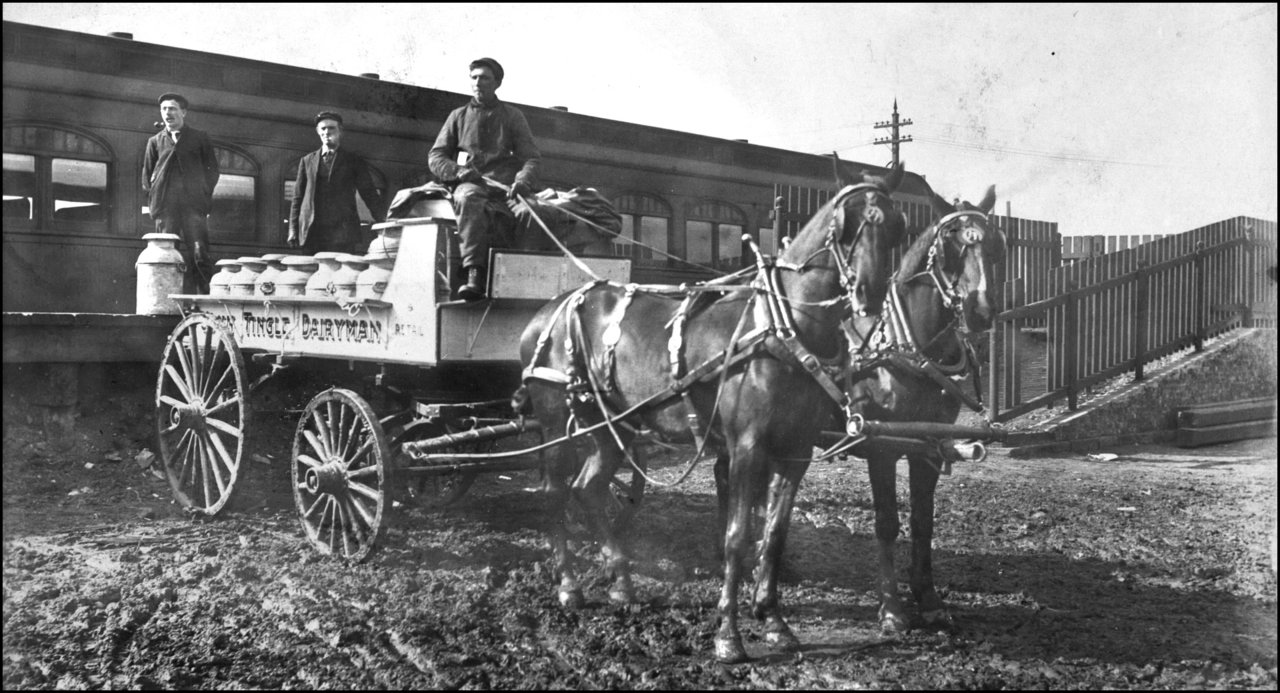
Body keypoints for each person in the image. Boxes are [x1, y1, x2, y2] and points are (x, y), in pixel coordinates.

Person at [428, 57, 541, 300]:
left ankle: (521, 277)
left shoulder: (513, 116)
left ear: (497, 83)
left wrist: (522, 181)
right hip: (472, 185)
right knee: (468, 199)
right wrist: (458, 171)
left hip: (507, 188)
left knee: (531, 211)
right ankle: (474, 274)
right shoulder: (457, 117)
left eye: (485, 78)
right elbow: (436, 156)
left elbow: (531, 158)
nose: (478, 82)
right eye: (474, 77)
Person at [142, 92, 220, 294]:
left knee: (199, 254)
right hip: (166, 210)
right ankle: (164, 300)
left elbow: (213, 171)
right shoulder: (155, 142)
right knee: (165, 256)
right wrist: (157, 201)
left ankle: (203, 301)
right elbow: (147, 177)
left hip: (194, 208)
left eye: (173, 108)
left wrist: (201, 194)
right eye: (164, 109)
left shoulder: (200, 138)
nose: (167, 113)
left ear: (183, 112)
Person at [288, 111, 386, 255]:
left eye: (331, 128)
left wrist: (383, 222)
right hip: (312, 232)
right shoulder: (307, 161)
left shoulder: (354, 161)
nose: (327, 132)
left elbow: (369, 194)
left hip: (342, 233)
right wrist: (292, 229)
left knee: (340, 275)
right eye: (323, 129)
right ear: (318, 132)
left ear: (340, 131)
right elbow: (297, 198)